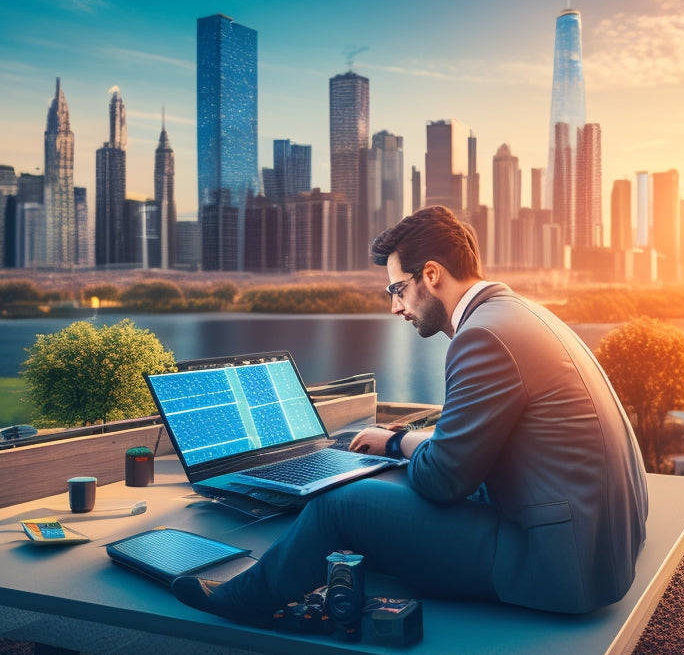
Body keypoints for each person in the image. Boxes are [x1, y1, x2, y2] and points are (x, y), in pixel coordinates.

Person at [172, 205, 648, 624]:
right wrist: (402, 444)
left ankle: (246, 599)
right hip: (598, 546)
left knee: (339, 503)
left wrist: (403, 445)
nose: (396, 307)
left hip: (557, 568)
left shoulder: (482, 339)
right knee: (387, 478)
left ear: (433, 275)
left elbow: (443, 481)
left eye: (398, 289)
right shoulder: (518, 314)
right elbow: (475, 447)